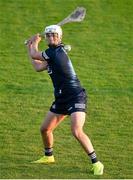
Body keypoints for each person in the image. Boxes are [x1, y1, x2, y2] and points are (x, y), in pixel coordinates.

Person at [26, 25, 104, 175]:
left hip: (75, 96)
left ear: (60, 37)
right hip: (61, 98)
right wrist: (30, 46)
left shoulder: (55, 52)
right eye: (49, 35)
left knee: (76, 130)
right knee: (45, 129)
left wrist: (34, 43)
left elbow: (35, 55)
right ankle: (49, 156)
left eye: (55, 35)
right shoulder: (51, 54)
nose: (51, 37)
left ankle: (96, 163)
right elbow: (37, 67)